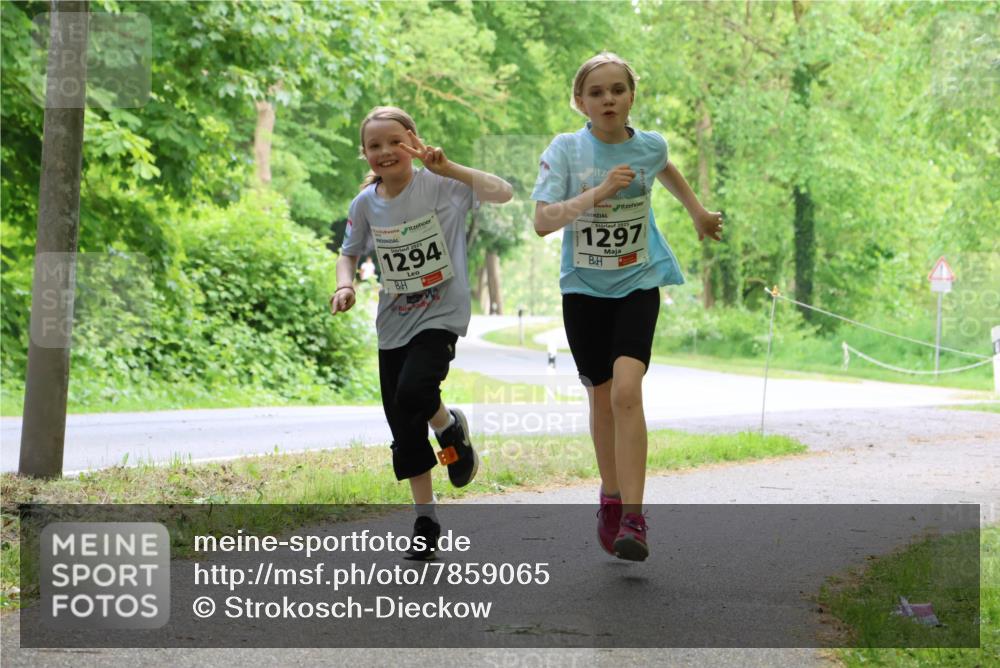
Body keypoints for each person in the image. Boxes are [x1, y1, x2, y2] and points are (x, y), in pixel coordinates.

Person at [531, 53, 723, 561]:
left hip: (639, 280)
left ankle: (634, 518)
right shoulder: (567, 150)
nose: (608, 99)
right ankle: (611, 497)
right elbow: (543, 221)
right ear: (580, 101)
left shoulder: (649, 146)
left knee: (627, 392)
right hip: (584, 290)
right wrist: (597, 193)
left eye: (618, 89)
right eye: (597, 92)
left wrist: (698, 212)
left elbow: (664, 168)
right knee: (601, 397)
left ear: (631, 96)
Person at [331, 106, 513, 560]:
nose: (386, 151)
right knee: (404, 427)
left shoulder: (443, 187)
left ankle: (450, 428)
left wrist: (447, 165)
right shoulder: (365, 203)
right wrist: (344, 283)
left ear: (414, 140)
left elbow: (504, 192)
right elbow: (347, 253)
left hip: (440, 315)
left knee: (416, 390)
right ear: (365, 154)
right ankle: (426, 519)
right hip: (393, 323)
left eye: (395, 141)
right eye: (375, 146)